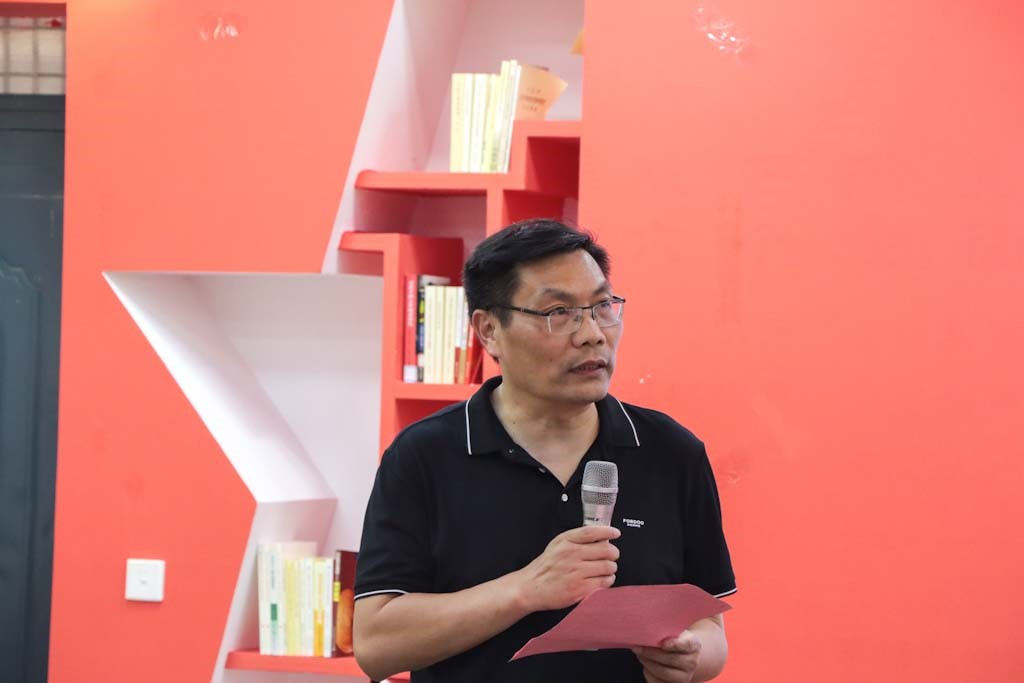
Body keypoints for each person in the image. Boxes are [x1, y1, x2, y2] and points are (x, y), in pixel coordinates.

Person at [353, 219, 736, 682]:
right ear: (489, 330)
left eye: (602, 307)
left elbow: (709, 628)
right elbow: (376, 646)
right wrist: (527, 589)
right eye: (559, 312)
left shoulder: (671, 452)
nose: (592, 333)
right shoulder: (424, 455)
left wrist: (690, 657)